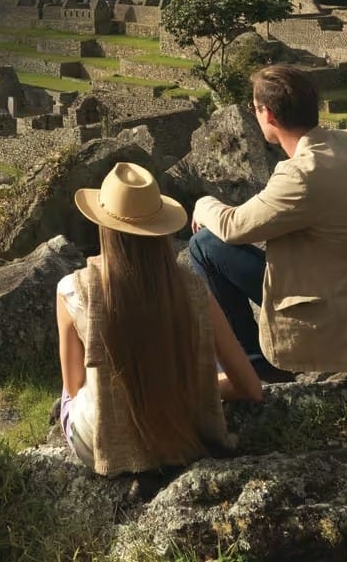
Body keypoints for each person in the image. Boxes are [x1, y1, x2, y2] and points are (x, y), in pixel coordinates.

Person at [190, 64, 347, 375]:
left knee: (205, 245)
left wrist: (203, 204)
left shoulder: (302, 173)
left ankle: (257, 370)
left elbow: (233, 226)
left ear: (267, 115)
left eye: (255, 108)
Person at [57, 162, 260, 477]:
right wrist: (195, 386)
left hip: (102, 443)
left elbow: (74, 385)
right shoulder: (195, 291)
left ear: (104, 227)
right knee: (211, 359)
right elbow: (250, 387)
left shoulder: (72, 290)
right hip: (185, 434)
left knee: (69, 388)